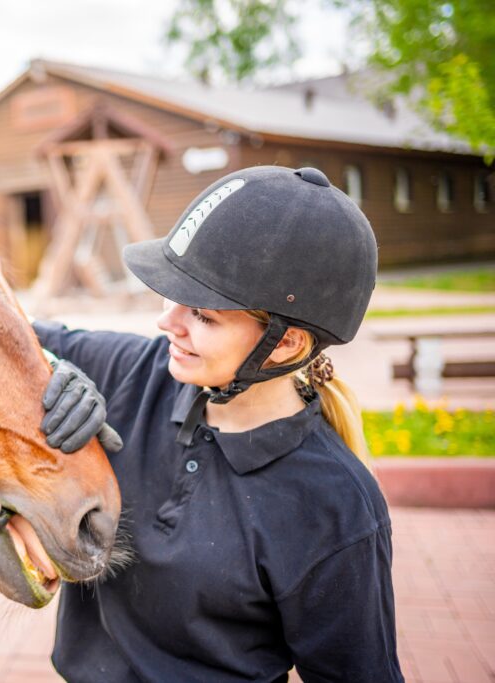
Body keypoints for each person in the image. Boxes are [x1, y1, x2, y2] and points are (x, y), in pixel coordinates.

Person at [36, 166, 403, 682]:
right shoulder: (137, 372)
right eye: (171, 296)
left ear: (285, 343)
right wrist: (55, 369)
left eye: (203, 316)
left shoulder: (334, 506)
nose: (169, 322)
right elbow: (2, 331)